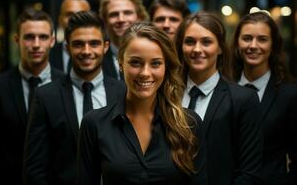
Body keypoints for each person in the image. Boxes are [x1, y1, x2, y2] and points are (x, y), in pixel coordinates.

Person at [77, 22, 207, 185]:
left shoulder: (189, 124)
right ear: (121, 63)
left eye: (156, 63)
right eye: (136, 62)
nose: (145, 73)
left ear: (166, 67)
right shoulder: (94, 124)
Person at [23, 11, 126, 185]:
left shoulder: (123, 92)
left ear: (105, 46)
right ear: (67, 47)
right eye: (78, 44)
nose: (86, 51)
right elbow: (35, 167)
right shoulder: (46, 96)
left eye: (94, 43)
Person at [175, 12, 263, 185]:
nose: (197, 49)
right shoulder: (167, 94)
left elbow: (249, 172)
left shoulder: (243, 99)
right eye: (190, 42)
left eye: (206, 42)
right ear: (181, 46)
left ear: (220, 48)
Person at [0, 8, 64, 185]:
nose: (36, 44)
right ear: (17, 40)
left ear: (52, 40)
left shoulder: (68, 85)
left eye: (42, 37)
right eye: (29, 37)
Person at [232, 11, 297, 185]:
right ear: (237, 43)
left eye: (262, 39)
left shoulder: (289, 95)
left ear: (274, 46)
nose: (253, 45)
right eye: (246, 38)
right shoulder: (224, 88)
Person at [99, 0, 149, 79]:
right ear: (105, 21)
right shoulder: (96, 60)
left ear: (139, 18)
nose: (121, 19)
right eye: (114, 14)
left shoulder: (153, 54)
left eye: (127, 13)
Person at [49, 0, 91, 74]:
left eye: (81, 15)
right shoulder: (48, 56)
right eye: (69, 14)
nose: (75, 19)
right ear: (60, 20)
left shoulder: (102, 56)